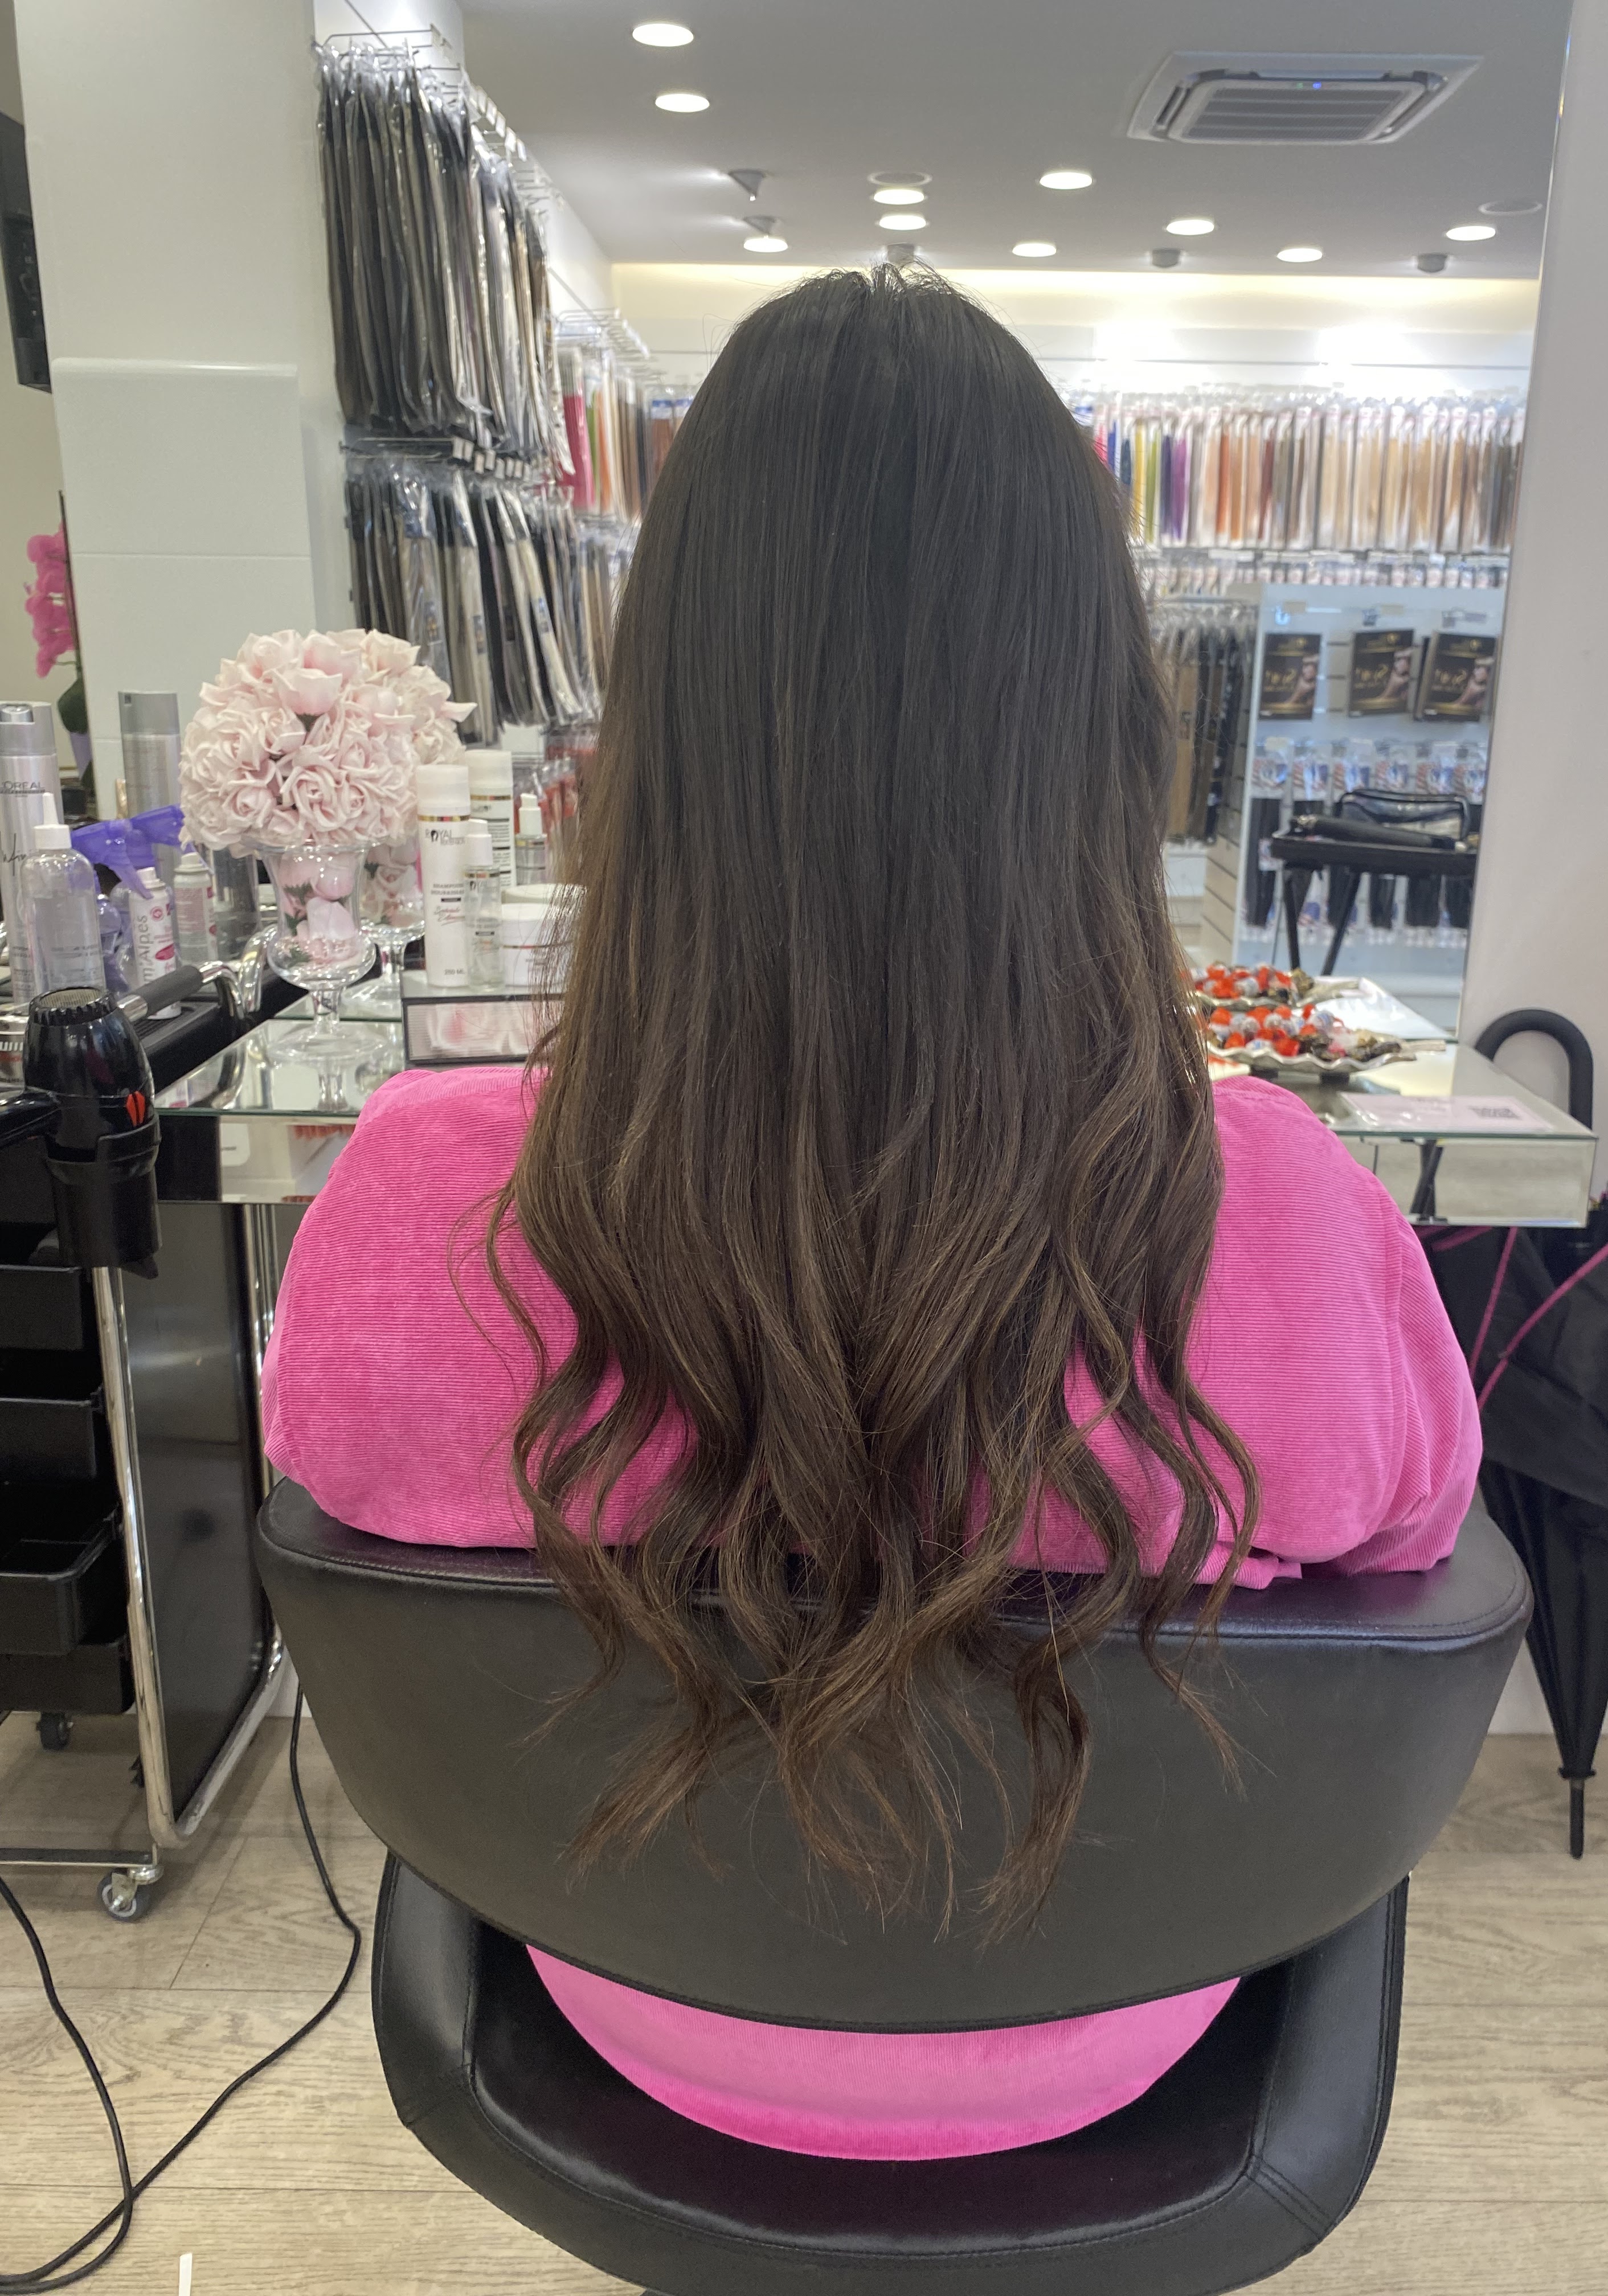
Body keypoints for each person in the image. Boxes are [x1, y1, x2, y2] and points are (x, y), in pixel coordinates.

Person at [264, 267, 1480, 2162]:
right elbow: (1414, 1543)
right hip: (1117, 2011)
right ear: (1096, 727)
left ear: (663, 723)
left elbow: (334, 1488)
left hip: (633, 1986)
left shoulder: (420, 1195)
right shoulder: (1283, 1208)